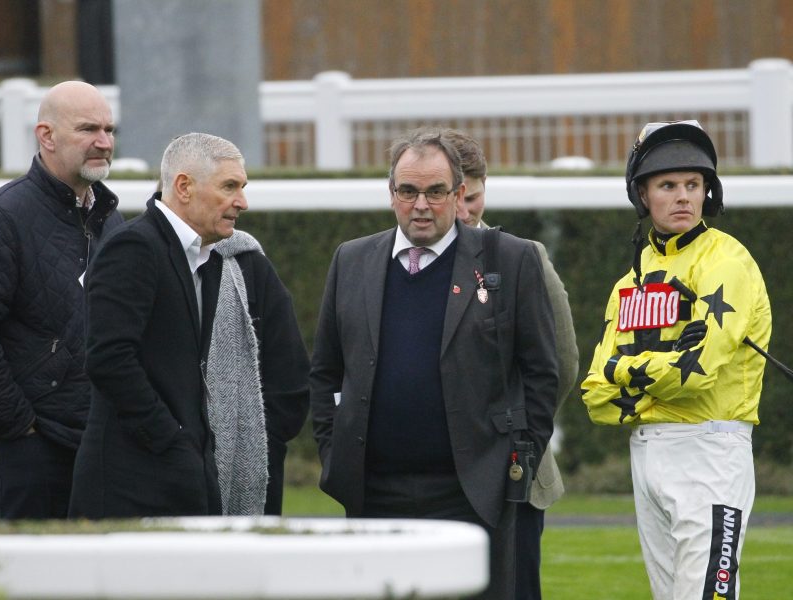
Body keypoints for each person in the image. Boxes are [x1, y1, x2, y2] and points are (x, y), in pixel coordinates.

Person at [310, 128, 559, 599]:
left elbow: (542, 372)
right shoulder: (352, 260)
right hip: (375, 495)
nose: (420, 204)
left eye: (435, 191)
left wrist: (515, 456)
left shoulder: (512, 259)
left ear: (458, 194)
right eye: (408, 191)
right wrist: (334, 451)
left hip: (474, 496)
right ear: (392, 194)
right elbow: (325, 370)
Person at [581, 120, 771, 599]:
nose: (684, 197)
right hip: (646, 454)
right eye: (668, 185)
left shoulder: (728, 261)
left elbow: (699, 373)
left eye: (694, 184)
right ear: (643, 195)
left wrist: (631, 373)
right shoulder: (632, 279)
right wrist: (655, 376)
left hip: (710, 454)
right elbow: (595, 396)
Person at [70, 132, 252, 518]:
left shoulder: (207, 256)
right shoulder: (133, 246)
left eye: (242, 187)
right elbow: (109, 359)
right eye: (230, 187)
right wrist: (172, 440)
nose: (242, 202)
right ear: (184, 186)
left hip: (178, 476)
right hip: (129, 484)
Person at [442, 129, 579, 600]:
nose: (463, 211)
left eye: (473, 197)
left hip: (514, 475)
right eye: (452, 197)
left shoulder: (524, 257)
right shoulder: (394, 261)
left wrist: (519, 438)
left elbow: (560, 363)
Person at [0, 81, 122, 519]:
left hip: (101, 443)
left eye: (109, 129)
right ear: (46, 136)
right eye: (89, 129)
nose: (104, 142)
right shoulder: (4, 217)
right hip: (28, 450)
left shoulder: (112, 220)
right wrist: (19, 425)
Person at [209, 229, 310, 516]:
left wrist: (257, 442)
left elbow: (292, 380)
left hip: (254, 466)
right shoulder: (142, 256)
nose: (240, 202)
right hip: (163, 468)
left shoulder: (250, 266)